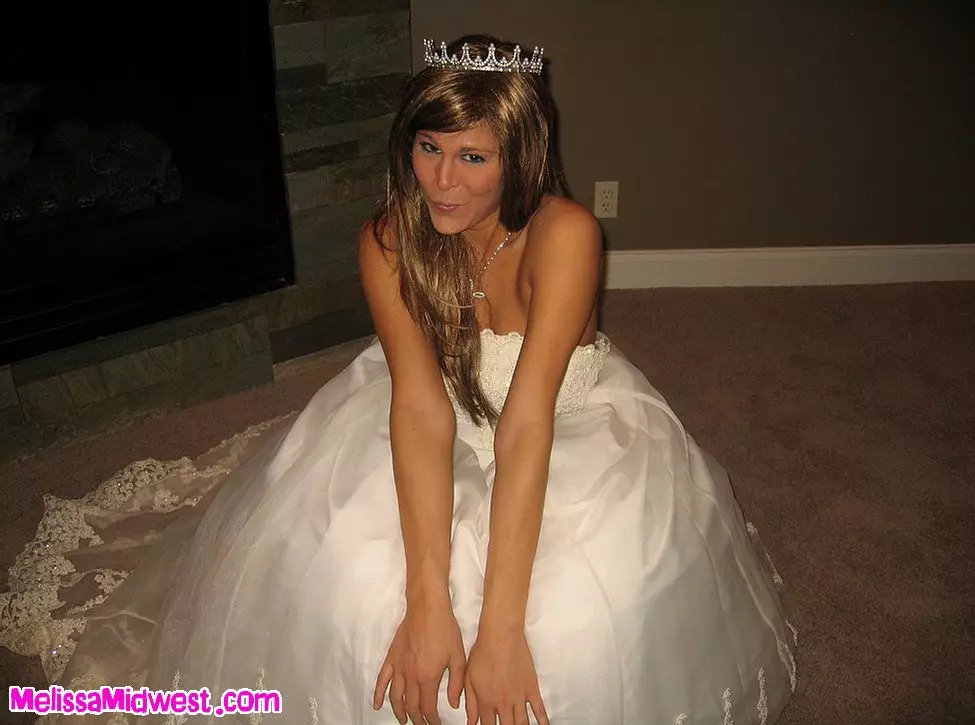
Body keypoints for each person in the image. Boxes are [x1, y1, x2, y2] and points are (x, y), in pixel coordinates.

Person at [1, 35, 796, 724]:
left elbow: (526, 422)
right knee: (354, 573)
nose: (442, 181)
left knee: (571, 616)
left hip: (560, 419)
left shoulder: (566, 233)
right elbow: (418, 406)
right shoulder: (386, 239)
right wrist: (428, 603)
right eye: (428, 148)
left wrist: (498, 630)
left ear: (519, 157)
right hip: (432, 404)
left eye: (473, 157)